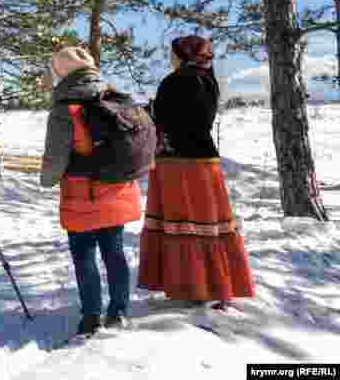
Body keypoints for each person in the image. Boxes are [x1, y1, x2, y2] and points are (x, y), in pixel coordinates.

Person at [137, 35, 254, 308]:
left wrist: (145, 112)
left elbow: (168, 119)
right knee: (208, 224)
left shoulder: (177, 80)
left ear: (183, 54)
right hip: (204, 159)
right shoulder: (207, 78)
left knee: (183, 222)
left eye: (173, 53)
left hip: (178, 161)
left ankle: (192, 285)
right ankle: (215, 282)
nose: (170, 58)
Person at [40, 46, 142, 336]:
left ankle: (91, 317)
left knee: (84, 255)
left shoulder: (64, 107)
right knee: (115, 251)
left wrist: (47, 180)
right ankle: (119, 311)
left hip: (80, 193)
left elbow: (55, 156)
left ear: (62, 72)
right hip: (115, 189)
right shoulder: (113, 97)